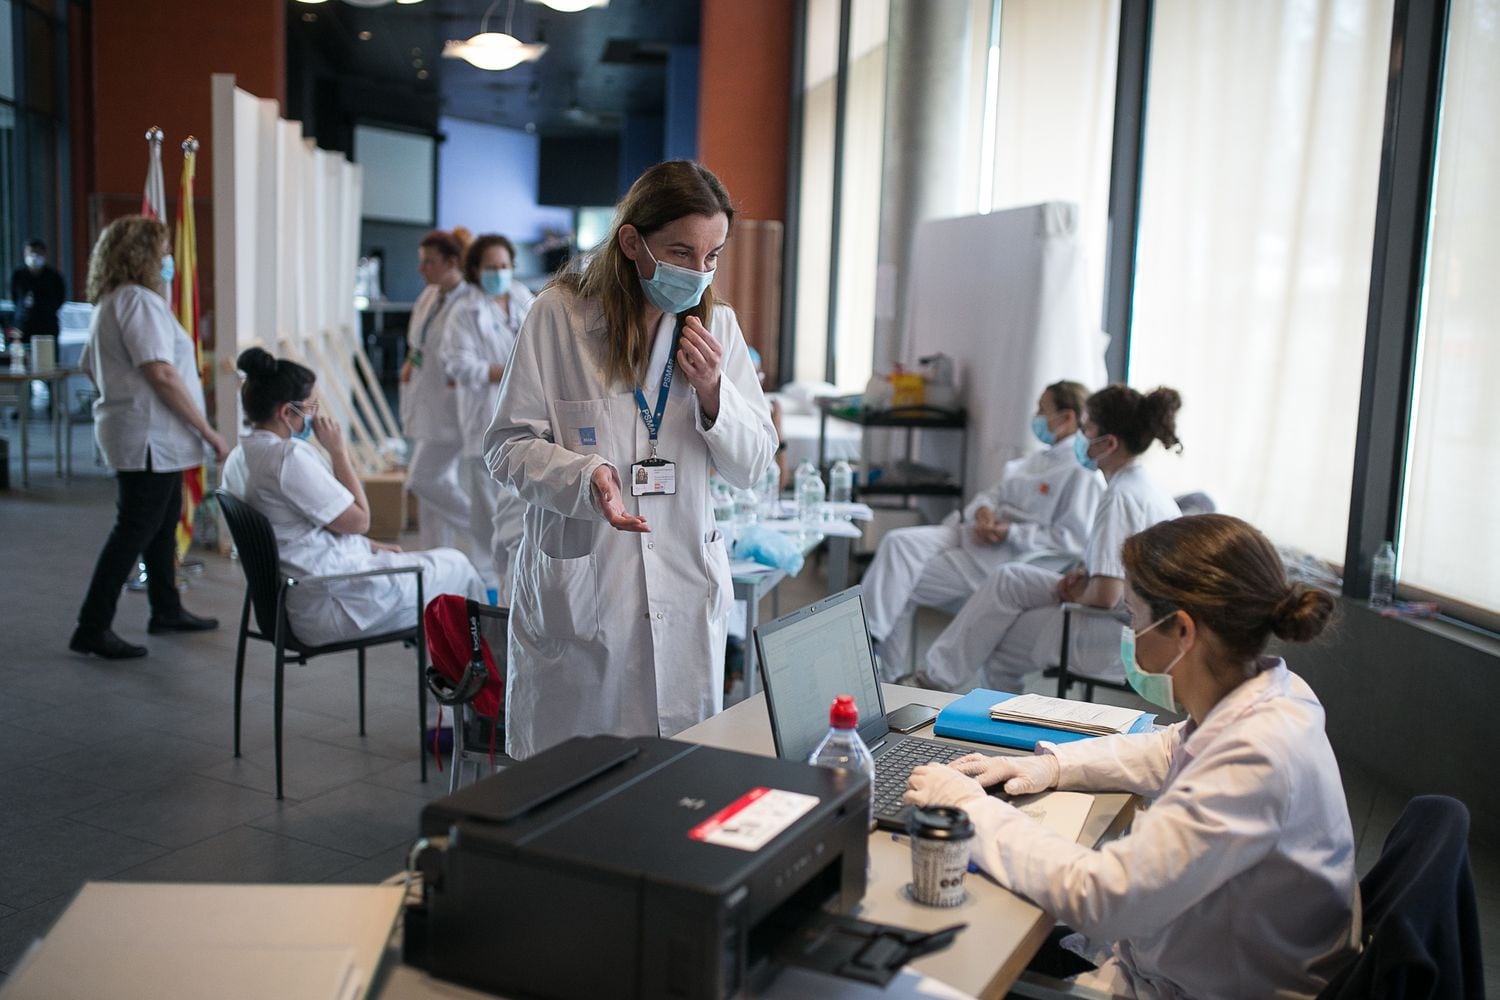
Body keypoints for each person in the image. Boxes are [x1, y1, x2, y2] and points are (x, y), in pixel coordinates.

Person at [905, 513, 1356, 999]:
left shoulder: (1254, 759)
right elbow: (1168, 746)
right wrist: (1052, 765)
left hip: (1197, 989)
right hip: (1193, 960)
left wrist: (969, 809)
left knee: (943, 970)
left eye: (1133, 616)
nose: (1130, 630)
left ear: (1182, 630)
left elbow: (1100, 895)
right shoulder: (1274, 695)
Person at [485, 160, 777, 759]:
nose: (698, 272)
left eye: (712, 255)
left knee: (672, 783)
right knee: (572, 785)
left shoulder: (715, 325)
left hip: (683, 584)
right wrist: (583, 474)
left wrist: (716, 393)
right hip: (587, 591)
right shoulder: (559, 318)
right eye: (681, 251)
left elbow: (755, 466)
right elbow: (506, 445)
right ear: (631, 242)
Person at [918, 385, 1183, 692]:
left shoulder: (1119, 497)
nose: (1080, 437)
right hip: (1131, 615)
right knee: (1009, 578)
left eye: (1086, 429)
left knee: (1000, 641)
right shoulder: (1145, 484)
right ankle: (932, 679)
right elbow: (1121, 571)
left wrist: (1075, 593)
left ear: (1109, 443)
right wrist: (1083, 576)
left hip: (1118, 635)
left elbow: (1106, 595)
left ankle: (945, 691)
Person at [222, 348, 484, 647]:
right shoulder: (287, 458)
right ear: (286, 412)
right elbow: (360, 520)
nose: (315, 416)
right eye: (310, 407)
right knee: (459, 566)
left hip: (292, 598)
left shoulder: (238, 458)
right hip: (330, 602)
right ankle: (474, 679)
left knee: (432, 568)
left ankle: (451, 671)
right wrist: (338, 452)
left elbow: (300, 528)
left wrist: (369, 546)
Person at [863, 381, 1104, 678]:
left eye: (1043, 410)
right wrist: (983, 511)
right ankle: (872, 641)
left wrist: (1010, 532)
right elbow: (994, 493)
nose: (1037, 417)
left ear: (1067, 417)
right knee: (898, 543)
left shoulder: (1081, 473)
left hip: (1004, 554)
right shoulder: (1035, 459)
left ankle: (883, 672)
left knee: (901, 583)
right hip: (972, 533)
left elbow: (1071, 540)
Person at [70, 217, 228, 659]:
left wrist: (120, 396)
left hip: (142, 434)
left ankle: (166, 607)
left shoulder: (110, 300)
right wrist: (208, 430)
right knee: (134, 530)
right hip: (150, 438)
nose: (168, 261)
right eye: (162, 252)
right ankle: (92, 625)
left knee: (161, 527)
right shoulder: (138, 301)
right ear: (143, 255)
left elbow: (89, 365)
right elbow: (160, 372)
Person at [444, 233, 534, 601]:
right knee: (488, 514)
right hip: (485, 417)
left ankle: (515, 583)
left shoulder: (523, 298)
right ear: (475, 269)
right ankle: (489, 591)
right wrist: (507, 370)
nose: (499, 273)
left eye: (504, 266)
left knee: (520, 509)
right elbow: (457, 365)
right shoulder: (463, 310)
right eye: (490, 267)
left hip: (527, 414)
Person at [400, 229, 481, 553]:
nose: (421, 270)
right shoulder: (431, 295)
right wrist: (410, 360)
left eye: (428, 263)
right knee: (431, 497)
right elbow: (418, 341)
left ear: (451, 262)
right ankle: (436, 558)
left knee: (422, 480)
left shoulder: (469, 302)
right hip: (426, 400)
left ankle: (482, 529)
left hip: (453, 408)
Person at [8, 238, 67, 344]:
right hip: (23, 325)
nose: (34, 256)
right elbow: (15, 298)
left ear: (44, 254)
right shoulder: (19, 275)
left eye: (38, 252)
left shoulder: (53, 276)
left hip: (47, 325)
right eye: (31, 252)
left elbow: (60, 298)